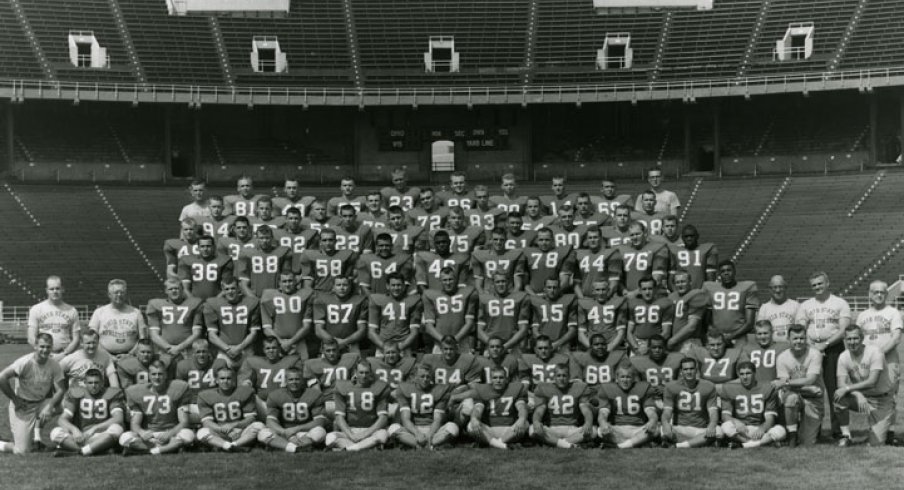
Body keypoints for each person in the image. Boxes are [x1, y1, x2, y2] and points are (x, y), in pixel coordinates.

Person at [795, 271, 850, 439]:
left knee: (835, 390)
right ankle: (814, 430)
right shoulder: (805, 305)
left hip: (833, 349)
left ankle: (838, 430)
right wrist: (812, 346)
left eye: (820, 283)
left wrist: (825, 344)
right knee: (813, 390)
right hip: (811, 349)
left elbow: (843, 330)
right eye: (814, 285)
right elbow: (800, 329)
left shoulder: (840, 303)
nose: (817, 287)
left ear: (827, 283)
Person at [0, 334, 66, 455]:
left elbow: (61, 389)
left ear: (52, 347)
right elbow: (2, 377)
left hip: (41, 403)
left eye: (48, 347)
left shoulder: (54, 364)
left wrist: (49, 406)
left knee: (66, 406)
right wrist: (15, 400)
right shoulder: (25, 362)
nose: (45, 350)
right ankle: (1, 444)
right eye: (42, 346)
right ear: (35, 346)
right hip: (23, 405)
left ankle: (69, 439)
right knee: (22, 451)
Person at [856, 280, 903, 443]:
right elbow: (856, 339)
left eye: (882, 292)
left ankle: (890, 435)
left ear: (886, 294)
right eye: (875, 292)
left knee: (890, 396)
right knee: (870, 395)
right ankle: (874, 431)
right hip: (867, 363)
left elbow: (896, 338)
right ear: (869, 294)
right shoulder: (862, 316)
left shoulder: (893, 313)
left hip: (888, 361)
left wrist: (877, 354)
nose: (878, 295)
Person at [834, 325, 896, 447]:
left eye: (855, 338)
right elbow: (841, 384)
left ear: (862, 338)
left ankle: (889, 419)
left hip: (881, 399)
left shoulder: (875, 352)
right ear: (845, 340)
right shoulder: (843, 356)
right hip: (862, 397)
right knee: (839, 397)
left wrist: (849, 389)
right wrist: (857, 394)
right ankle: (846, 436)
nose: (852, 342)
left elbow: (872, 381)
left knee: (876, 444)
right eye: (849, 339)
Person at [119, 360, 195, 455]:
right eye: (154, 374)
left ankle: (151, 451)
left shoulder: (178, 388)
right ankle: (169, 448)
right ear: (149, 376)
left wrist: (170, 433)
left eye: (160, 374)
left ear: (166, 375)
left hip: (170, 432)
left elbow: (184, 422)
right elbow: (134, 424)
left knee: (188, 435)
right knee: (124, 437)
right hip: (150, 434)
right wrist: (142, 433)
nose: (157, 377)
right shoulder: (138, 392)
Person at [51, 367, 124, 458]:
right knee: (55, 433)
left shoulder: (111, 393)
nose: (93, 385)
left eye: (96, 382)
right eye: (90, 382)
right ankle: (97, 449)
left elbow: (118, 418)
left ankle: (80, 452)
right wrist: (75, 430)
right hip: (82, 436)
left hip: (102, 434)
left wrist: (95, 428)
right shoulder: (76, 393)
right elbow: (62, 419)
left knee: (117, 429)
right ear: (85, 383)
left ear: (102, 383)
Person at [775, 324, 825, 447]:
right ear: (789, 339)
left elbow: (811, 379)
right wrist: (808, 389)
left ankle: (810, 428)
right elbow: (785, 387)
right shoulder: (782, 357)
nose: (799, 341)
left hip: (813, 399)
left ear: (806, 338)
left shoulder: (815, 354)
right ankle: (792, 434)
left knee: (807, 442)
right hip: (799, 394)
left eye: (802, 338)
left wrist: (787, 383)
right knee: (791, 398)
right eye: (795, 338)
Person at [389, 363, 459, 449]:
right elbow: (405, 419)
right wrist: (417, 433)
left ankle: (416, 445)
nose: (425, 379)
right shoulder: (405, 389)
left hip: (433, 428)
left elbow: (438, 419)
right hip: (413, 428)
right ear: (415, 378)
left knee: (453, 427)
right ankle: (430, 446)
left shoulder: (439, 390)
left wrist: (430, 434)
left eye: (428, 377)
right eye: (422, 376)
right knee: (393, 428)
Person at [257, 367, 327, 452]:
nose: (294, 382)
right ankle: (297, 448)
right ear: (285, 381)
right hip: (284, 431)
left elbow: (320, 421)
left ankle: (286, 446)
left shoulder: (314, 394)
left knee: (320, 431)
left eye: (297, 379)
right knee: (262, 433)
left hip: (305, 432)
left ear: (302, 381)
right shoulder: (275, 395)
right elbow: (270, 421)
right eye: (291, 379)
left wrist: (296, 429)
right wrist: (284, 432)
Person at [326, 361, 391, 451]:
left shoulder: (379, 387)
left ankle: (350, 448)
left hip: (370, 430)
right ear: (355, 373)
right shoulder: (343, 387)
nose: (364, 376)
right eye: (361, 372)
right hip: (351, 429)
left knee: (382, 435)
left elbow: (383, 418)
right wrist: (351, 435)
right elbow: (339, 417)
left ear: (371, 373)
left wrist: (364, 434)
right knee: (330, 437)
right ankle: (365, 446)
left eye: (366, 372)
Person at [720, 361, 786, 449]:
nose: (745, 377)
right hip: (741, 429)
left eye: (748, 373)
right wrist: (736, 422)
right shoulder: (729, 388)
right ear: (738, 375)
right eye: (742, 374)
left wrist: (762, 429)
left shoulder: (767, 388)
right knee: (726, 426)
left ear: (754, 373)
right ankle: (756, 443)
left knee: (780, 430)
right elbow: (725, 416)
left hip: (759, 428)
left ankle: (743, 445)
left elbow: (770, 418)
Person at [197, 367, 263, 452]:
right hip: (219, 431)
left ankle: (232, 445)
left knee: (259, 425)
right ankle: (228, 446)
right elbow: (207, 422)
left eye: (229, 378)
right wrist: (222, 429)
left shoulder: (245, 392)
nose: (225, 381)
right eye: (222, 378)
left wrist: (234, 426)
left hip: (240, 431)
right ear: (216, 380)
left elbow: (251, 418)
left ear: (234, 380)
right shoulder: (205, 395)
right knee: (201, 432)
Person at [661, 357, 721, 448]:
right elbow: (667, 411)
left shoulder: (708, 386)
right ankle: (700, 442)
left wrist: (712, 425)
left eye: (691, 369)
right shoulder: (671, 387)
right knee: (662, 429)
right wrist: (665, 424)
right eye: (685, 369)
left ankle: (679, 445)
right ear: (681, 371)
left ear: (696, 370)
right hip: (680, 428)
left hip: (701, 428)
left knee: (719, 431)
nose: (689, 372)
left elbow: (713, 411)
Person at [531, 363, 594, 449]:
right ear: (554, 377)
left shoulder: (578, 387)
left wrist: (588, 423)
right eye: (559, 376)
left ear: (569, 377)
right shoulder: (545, 388)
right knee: (532, 429)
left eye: (564, 376)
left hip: (572, 428)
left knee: (593, 431)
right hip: (552, 428)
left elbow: (586, 410)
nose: (561, 379)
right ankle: (569, 444)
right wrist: (536, 422)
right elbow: (539, 411)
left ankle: (557, 443)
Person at [597, 363, 659, 449]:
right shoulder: (607, 389)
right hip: (617, 429)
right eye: (622, 377)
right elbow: (603, 413)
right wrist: (602, 422)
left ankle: (620, 446)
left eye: (628, 377)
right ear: (616, 378)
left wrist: (652, 421)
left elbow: (651, 412)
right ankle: (636, 443)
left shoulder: (644, 388)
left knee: (655, 429)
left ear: (633, 378)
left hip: (638, 428)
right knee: (600, 430)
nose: (625, 380)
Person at [465, 366, 529, 449]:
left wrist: (522, 418)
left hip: (509, 429)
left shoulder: (515, 389)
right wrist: (474, 418)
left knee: (525, 423)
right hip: (489, 429)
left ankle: (493, 443)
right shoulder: (483, 390)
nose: (498, 380)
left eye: (501, 378)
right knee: (471, 425)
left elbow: (521, 407)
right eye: (495, 378)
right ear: (490, 380)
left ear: (506, 379)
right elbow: (477, 409)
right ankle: (502, 445)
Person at [203, 277, 261, 368]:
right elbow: (211, 335)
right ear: (223, 290)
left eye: (233, 288)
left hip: (245, 349)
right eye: (227, 289)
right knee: (221, 376)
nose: (230, 291)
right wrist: (227, 349)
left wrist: (239, 348)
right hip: (224, 351)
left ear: (239, 288)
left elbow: (254, 333)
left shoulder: (251, 302)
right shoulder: (213, 304)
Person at [239, 336, 302, 418]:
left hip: (286, 403)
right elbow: (243, 383)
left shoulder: (291, 361)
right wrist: (247, 383)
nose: (271, 351)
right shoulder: (253, 362)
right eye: (268, 348)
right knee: (248, 391)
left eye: (274, 348)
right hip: (263, 404)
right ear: (263, 350)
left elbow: (300, 380)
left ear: (279, 348)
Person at [422, 267, 479, 352]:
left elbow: (469, 322)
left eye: (450, 279)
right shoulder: (430, 295)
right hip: (440, 343)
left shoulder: (468, 293)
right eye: (445, 280)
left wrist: (455, 340)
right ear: (440, 281)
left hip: (462, 342)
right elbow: (429, 326)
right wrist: (443, 340)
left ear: (456, 280)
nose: (448, 283)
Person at [703, 260, 759, 347]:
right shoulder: (710, 288)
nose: (726, 273)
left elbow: (750, 323)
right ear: (719, 274)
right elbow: (707, 320)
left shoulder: (747, 287)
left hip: (739, 336)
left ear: (734, 271)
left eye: (729, 270)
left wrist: (730, 337)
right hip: (717, 337)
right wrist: (717, 335)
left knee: (741, 359)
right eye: (723, 271)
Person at [260, 272, 315, 359]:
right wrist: (281, 342)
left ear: (295, 282)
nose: (287, 284)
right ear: (279, 283)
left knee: (303, 368)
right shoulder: (269, 297)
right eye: (284, 281)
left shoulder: (305, 295)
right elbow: (267, 328)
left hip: (299, 342)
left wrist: (290, 342)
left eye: (290, 281)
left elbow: (307, 327)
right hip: (277, 344)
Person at [146, 279, 203, 361]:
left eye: (177, 288)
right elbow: (154, 334)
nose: (174, 291)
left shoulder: (194, 303)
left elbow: (197, 333)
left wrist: (179, 348)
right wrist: (169, 348)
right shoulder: (155, 305)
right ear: (166, 291)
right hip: (165, 351)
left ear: (182, 289)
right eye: (170, 289)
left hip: (188, 350)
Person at [302, 339, 360, 418]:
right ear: (322, 350)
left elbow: (356, 382)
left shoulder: (351, 358)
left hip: (346, 399)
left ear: (338, 349)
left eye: (334, 350)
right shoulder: (311, 365)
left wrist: (354, 378)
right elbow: (316, 393)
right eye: (328, 351)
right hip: (327, 401)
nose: (331, 353)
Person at [173, 339, 225, 426]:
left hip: (212, 404)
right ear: (193, 353)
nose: (201, 355)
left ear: (209, 352)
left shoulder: (219, 364)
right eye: (198, 352)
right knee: (181, 411)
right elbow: (180, 392)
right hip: (193, 404)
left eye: (204, 351)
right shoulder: (183, 365)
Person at [89, 279, 147, 358]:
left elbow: (143, 338)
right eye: (116, 292)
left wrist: (129, 354)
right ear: (109, 294)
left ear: (126, 294)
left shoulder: (136, 313)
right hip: (104, 356)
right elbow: (92, 338)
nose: (119, 295)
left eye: (122, 292)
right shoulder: (99, 313)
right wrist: (108, 356)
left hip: (131, 356)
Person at [27, 275, 80, 361]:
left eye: (57, 288)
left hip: (65, 356)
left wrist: (64, 354)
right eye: (51, 289)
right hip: (43, 355)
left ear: (63, 289)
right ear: (46, 290)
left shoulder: (72, 310)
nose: (55, 291)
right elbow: (31, 337)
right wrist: (45, 352)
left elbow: (76, 339)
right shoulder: (36, 309)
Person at [367, 273, 422, 355]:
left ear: (404, 286)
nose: (396, 288)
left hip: (403, 345)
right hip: (383, 345)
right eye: (393, 285)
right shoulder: (377, 300)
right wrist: (384, 347)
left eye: (399, 285)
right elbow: (371, 332)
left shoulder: (413, 301)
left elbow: (414, 332)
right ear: (387, 286)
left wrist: (401, 347)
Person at [607, 221, 668, 294]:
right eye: (632, 235)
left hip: (650, 294)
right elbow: (617, 277)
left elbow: (657, 278)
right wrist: (624, 291)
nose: (635, 237)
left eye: (638, 234)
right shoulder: (621, 250)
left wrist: (636, 293)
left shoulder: (657, 248)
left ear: (645, 233)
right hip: (628, 296)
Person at [477, 273, 531, 354]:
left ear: (509, 282)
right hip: (491, 347)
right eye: (498, 282)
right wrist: (492, 344)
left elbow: (523, 329)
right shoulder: (484, 299)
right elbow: (479, 330)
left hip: (513, 347)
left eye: (503, 281)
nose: (501, 284)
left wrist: (506, 346)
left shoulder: (520, 298)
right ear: (493, 284)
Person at [313, 276, 368, 352]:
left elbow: (362, 330)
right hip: (329, 344)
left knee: (354, 362)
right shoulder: (322, 300)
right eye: (338, 285)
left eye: (345, 285)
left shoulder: (359, 301)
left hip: (352, 344)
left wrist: (345, 342)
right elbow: (318, 330)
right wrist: (333, 341)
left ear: (350, 287)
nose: (342, 288)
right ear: (333, 287)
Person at [237, 226, 292, 298]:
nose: (264, 241)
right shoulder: (248, 253)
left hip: (276, 296)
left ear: (272, 238)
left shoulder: (281, 252)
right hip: (255, 295)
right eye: (261, 238)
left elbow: (286, 278)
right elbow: (243, 283)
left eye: (267, 238)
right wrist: (253, 298)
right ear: (256, 239)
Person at [297, 228, 358, 293]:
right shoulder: (310, 256)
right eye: (324, 240)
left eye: (330, 240)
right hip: (318, 293)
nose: (328, 243)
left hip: (338, 294)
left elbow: (350, 279)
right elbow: (307, 283)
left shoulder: (347, 255)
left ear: (336, 241)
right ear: (320, 242)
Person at [626, 277, 674, 355]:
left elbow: (666, 332)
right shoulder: (633, 304)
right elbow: (629, 332)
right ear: (640, 290)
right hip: (637, 344)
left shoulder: (665, 303)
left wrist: (649, 346)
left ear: (655, 289)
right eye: (644, 289)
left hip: (656, 346)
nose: (647, 292)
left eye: (650, 289)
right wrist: (636, 347)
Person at [177, 234, 233, 300]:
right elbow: (185, 289)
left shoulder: (224, 261)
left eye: (208, 246)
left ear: (214, 247)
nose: (205, 249)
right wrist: (195, 303)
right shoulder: (187, 261)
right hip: (195, 302)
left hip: (217, 302)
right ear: (198, 248)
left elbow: (227, 287)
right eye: (202, 246)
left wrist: (213, 303)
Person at [524, 227, 577, 295]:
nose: (544, 243)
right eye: (541, 240)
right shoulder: (527, 253)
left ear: (553, 240)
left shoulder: (563, 252)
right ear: (536, 241)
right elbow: (525, 283)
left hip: (555, 296)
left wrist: (551, 294)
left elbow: (565, 281)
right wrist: (534, 296)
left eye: (547, 240)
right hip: (534, 295)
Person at [576, 280, 627, 351]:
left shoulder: (618, 302)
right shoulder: (584, 304)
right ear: (593, 291)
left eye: (603, 289)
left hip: (612, 345)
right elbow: (581, 334)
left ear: (608, 291)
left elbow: (621, 332)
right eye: (598, 290)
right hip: (592, 345)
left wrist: (610, 348)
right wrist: (593, 348)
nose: (601, 293)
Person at [530, 278, 578, 352]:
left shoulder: (568, 301)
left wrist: (557, 343)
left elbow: (572, 330)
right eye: (549, 287)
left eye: (554, 288)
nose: (552, 291)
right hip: (543, 345)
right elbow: (534, 330)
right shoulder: (537, 302)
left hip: (562, 344)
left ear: (559, 289)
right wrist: (545, 343)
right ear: (544, 289)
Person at [472, 227, 526, 293]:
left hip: (508, 293)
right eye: (495, 239)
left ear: (506, 240)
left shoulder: (515, 255)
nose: (498, 242)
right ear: (490, 240)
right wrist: (484, 296)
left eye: (501, 240)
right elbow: (478, 283)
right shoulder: (479, 255)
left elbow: (518, 284)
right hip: (489, 293)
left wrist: (513, 297)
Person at [666, 271, 709, 353]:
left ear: (690, 282)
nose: (680, 284)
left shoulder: (696, 294)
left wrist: (672, 341)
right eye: (677, 282)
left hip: (689, 342)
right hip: (673, 341)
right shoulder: (671, 297)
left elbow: (692, 326)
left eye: (683, 281)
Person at [669, 225, 717, 290]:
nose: (689, 238)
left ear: (697, 236)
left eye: (692, 236)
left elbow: (710, 278)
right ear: (682, 238)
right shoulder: (674, 251)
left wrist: (704, 292)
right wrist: (676, 293)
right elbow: (671, 278)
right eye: (686, 236)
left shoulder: (707, 249)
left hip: (700, 292)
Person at [756, 275, 799, 343]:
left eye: (780, 287)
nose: (778, 290)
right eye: (774, 287)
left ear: (785, 287)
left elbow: (800, 329)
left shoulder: (795, 305)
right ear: (770, 289)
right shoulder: (764, 308)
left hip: (790, 347)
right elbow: (760, 331)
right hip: (772, 347)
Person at [574, 227, 608, 299]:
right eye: (590, 238)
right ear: (586, 240)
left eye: (595, 237)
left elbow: (614, 281)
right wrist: (582, 298)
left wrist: (606, 297)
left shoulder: (609, 253)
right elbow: (576, 281)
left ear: (601, 238)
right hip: (586, 297)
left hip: (604, 298)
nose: (592, 240)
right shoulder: (579, 255)